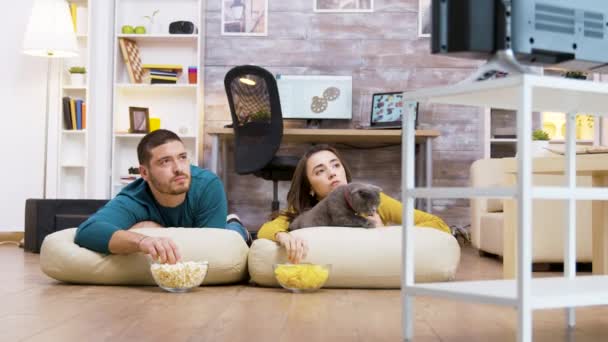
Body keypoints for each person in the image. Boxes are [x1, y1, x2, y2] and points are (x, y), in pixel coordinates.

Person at [75, 129, 250, 264]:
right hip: (186, 235)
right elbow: (87, 231)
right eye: (165, 161)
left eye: (182, 158)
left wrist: (150, 230)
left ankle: (235, 224)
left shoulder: (207, 185)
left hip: (213, 229)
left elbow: (212, 248)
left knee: (232, 236)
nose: (179, 168)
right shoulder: (133, 198)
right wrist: (143, 240)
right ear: (144, 172)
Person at [257, 144, 451, 264]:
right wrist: (283, 236)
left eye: (335, 165)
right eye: (320, 171)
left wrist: (388, 232)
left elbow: (438, 225)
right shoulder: (301, 212)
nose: (332, 173)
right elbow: (266, 230)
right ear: (310, 188)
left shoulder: (371, 200)